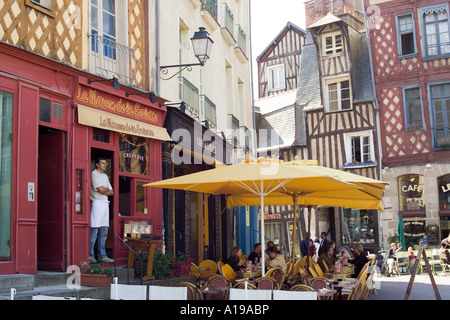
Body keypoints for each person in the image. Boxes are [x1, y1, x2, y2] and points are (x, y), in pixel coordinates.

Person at [90, 156, 114, 264]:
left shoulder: (105, 176)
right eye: (102, 163)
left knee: (104, 231)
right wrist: (104, 190)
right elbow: (99, 189)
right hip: (97, 203)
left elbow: (111, 192)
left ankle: (102, 255)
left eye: (105, 163)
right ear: (97, 164)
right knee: (94, 231)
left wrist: (104, 190)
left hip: (105, 204)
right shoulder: (93, 174)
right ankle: (90, 255)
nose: (105, 164)